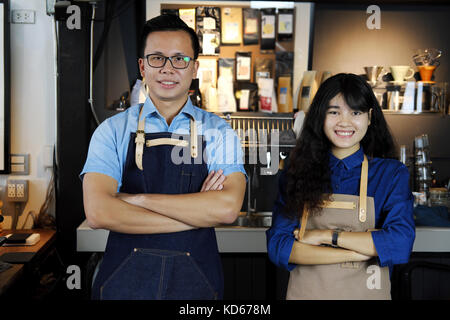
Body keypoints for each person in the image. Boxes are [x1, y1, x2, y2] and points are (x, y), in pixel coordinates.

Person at [81, 14, 246, 300]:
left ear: (195, 68)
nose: (168, 69)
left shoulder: (220, 131)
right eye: (157, 58)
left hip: (196, 287)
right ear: (142, 66)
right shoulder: (112, 131)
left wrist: (136, 199)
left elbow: (227, 208)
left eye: (179, 59)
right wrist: (197, 215)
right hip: (124, 285)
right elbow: (99, 212)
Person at [266, 73, 415, 300]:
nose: (345, 122)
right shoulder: (296, 172)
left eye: (355, 112)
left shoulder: (391, 174)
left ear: (369, 117)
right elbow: (279, 247)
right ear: (320, 117)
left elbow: (400, 243)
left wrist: (325, 236)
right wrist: (359, 253)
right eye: (334, 112)